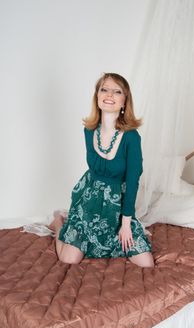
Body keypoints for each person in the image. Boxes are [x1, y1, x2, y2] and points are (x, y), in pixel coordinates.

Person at [49, 73, 154, 268]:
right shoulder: (89, 130)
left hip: (117, 207)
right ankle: (58, 222)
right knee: (68, 259)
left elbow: (132, 182)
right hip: (89, 201)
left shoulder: (132, 137)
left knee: (146, 262)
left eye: (117, 92)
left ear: (124, 101)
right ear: (97, 97)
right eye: (104, 89)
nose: (109, 95)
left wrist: (125, 225)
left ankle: (128, 227)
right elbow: (94, 171)